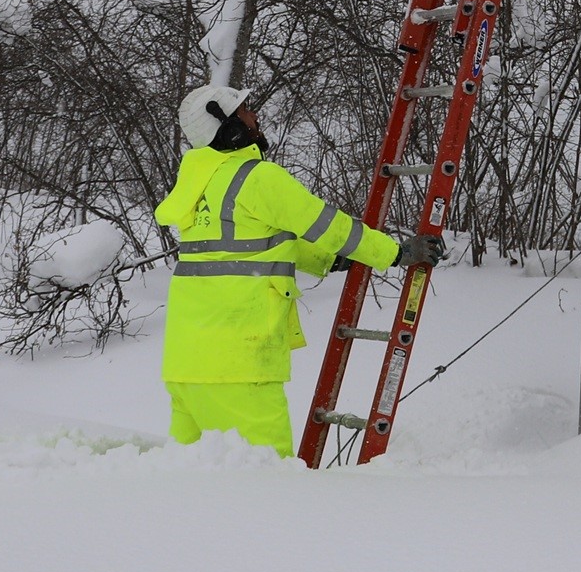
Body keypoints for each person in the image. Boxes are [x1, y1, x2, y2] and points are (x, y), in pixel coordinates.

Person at [153, 83, 442, 457]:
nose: (254, 116)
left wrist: (329, 259)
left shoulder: (200, 186)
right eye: (245, 112)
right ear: (229, 126)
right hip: (240, 364)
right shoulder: (257, 178)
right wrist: (394, 253)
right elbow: (329, 226)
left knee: (195, 480)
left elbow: (258, 238)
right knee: (266, 483)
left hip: (186, 364)